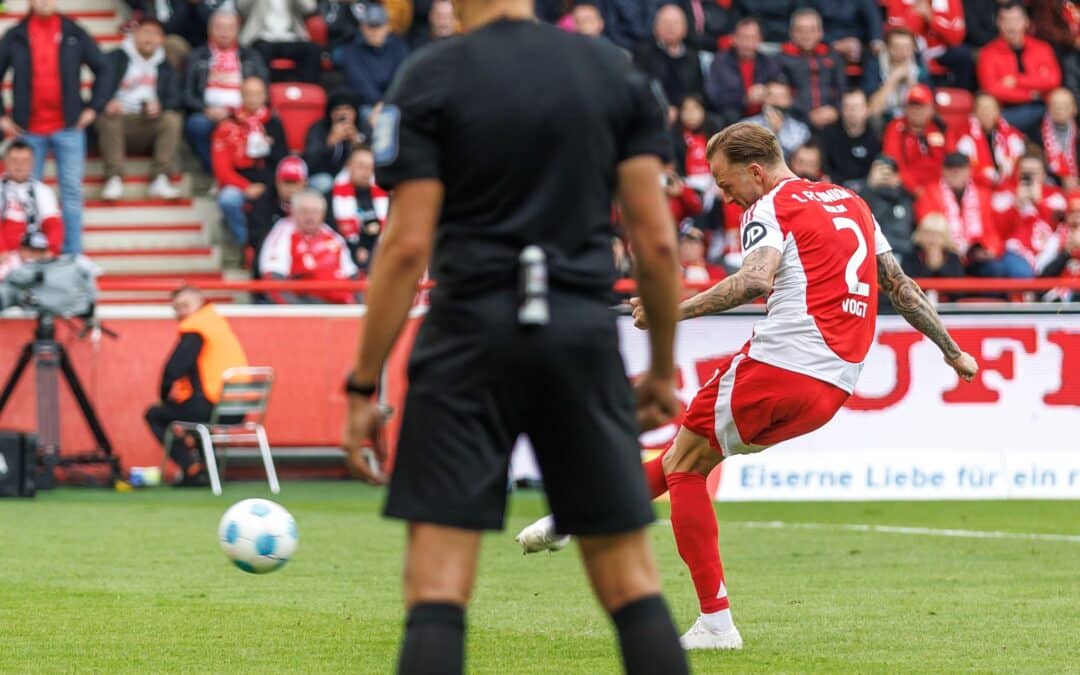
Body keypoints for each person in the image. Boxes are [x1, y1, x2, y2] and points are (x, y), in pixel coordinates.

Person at [517, 122, 978, 650]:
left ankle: (715, 622)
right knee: (686, 456)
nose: (725, 195)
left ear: (755, 171)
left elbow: (755, 280)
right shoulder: (852, 202)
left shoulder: (769, 207)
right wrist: (951, 350)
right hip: (833, 388)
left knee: (685, 466)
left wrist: (672, 311)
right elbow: (901, 286)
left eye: (725, 181)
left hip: (781, 363)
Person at [340, 0, 691, 671]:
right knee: (629, 580)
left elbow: (406, 246)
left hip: (468, 333)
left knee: (438, 584)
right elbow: (654, 243)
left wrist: (363, 385)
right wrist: (663, 370)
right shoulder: (611, 72)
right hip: (580, 333)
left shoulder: (428, 76)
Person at [0, 0, 110, 256]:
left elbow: (104, 68)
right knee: (23, 196)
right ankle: (26, 255)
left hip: (68, 126)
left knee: (71, 191)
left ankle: (73, 256)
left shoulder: (73, 31)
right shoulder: (16, 34)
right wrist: (3, 117)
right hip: (29, 129)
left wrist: (93, 107)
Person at [145, 286, 248, 486]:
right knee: (191, 412)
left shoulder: (195, 329)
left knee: (155, 414)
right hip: (238, 408)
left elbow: (173, 369)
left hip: (212, 407)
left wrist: (164, 397)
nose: (181, 312)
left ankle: (190, 467)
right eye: (177, 308)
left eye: (185, 306)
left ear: (200, 303)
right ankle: (210, 470)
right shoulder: (218, 325)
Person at [97, 20, 183, 202]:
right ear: (135, 34)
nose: (149, 38)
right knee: (107, 117)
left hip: (149, 122)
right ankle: (114, 177)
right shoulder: (115, 57)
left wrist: (161, 106)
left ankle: (160, 178)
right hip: (120, 120)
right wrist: (108, 102)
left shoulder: (166, 66)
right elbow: (98, 90)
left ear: (162, 39)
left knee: (172, 120)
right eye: (145, 32)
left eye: (155, 33)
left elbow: (175, 99)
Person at [915, 151, 1032, 277]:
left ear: (969, 171)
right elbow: (928, 227)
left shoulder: (983, 195)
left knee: (1007, 269)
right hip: (946, 252)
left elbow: (994, 228)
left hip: (977, 253)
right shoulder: (929, 194)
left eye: (960, 168)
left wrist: (990, 248)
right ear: (943, 170)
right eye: (951, 168)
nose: (955, 172)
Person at [183, 9, 269, 173]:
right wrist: (205, 109)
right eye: (219, 27)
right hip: (209, 112)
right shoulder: (197, 56)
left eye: (229, 28)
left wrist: (239, 111)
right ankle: (218, 172)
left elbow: (263, 86)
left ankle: (242, 173)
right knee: (197, 125)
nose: (224, 32)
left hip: (245, 110)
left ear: (237, 30)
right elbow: (187, 93)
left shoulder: (251, 56)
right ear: (209, 30)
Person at [212, 76, 288, 248]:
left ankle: (274, 244)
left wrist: (269, 148)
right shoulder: (227, 125)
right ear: (241, 95)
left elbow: (283, 159)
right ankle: (247, 243)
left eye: (258, 94)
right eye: (249, 94)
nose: (253, 98)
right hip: (241, 182)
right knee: (227, 199)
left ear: (265, 96)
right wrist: (245, 187)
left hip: (270, 181)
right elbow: (221, 168)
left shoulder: (274, 123)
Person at [976, 1, 1061, 138]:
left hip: (1042, 106)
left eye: (1016, 20)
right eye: (1006, 20)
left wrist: (1017, 81)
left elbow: (1053, 80)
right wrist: (1032, 94)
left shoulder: (1042, 48)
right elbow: (992, 88)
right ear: (998, 24)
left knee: (1061, 99)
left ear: (1026, 22)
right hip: (1007, 110)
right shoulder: (988, 53)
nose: (1011, 27)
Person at [259, 189, 360, 304]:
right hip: (308, 306)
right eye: (304, 211)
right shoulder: (283, 233)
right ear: (293, 212)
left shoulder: (332, 236)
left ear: (323, 214)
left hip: (342, 306)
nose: (310, 216)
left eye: (315, 211)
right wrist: (302, 313)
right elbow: (273, 278)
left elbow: (352, 275)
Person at [777, 9, 846, 129]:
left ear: (821, 32)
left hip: (832, 118)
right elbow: (782, 96)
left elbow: (842, 89)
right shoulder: (782, 59)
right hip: (795, 120)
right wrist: (808, 115)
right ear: (792, 33)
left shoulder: (832, 56)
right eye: (800, 30)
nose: (806, 35)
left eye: (812, 30)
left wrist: (835, 110)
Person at [704, 17, 781, 125]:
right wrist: (745, 98)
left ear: (760, 39)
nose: (748, 44)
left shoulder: (767, 62)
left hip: (763, 114)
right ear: (734, 39)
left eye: (752, 38)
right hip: (733, 118)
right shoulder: (720, 62)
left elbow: (778, 86)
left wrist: (766, 92)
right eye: (744, 38)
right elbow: (714, 97)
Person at [633, 4, 704, 119]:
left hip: (687, 112)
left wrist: (689, 107)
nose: (670, 27)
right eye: (665, 23)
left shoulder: (692, 56)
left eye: (675, 23)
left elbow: (698, 89)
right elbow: (642, 88)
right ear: (654, 27)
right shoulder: (643, 53)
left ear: (685, 29)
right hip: (654, 112)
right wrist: (664, 108)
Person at [947, 92, 1027, 193]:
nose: (986, 112)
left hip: (1010, 189)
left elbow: (1022, 163)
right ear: (974, 112)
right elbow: (962, 169)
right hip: (976, 190)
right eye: (982, 108)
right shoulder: (961, 135)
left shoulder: (1012, 135)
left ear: (998, 111)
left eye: (990, 108)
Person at [884, 0, 971, 90]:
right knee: (903, 50)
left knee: (963, 54)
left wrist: (931, 18)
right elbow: (897, 35)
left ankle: (961, 99)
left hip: (940, 52)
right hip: (912, 51)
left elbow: (957, 38)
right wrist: (916, 14)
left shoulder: (951, 2)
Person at [882, 83, 948, 196]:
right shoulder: (896, 127)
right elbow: (895, 164)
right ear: (906, 108)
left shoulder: (940, 129)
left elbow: (948, 164)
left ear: (932, 108)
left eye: (921, 105)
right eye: (912, 105)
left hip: (938, 192)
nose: (916, 110)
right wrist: (916, 189)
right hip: (906, 191)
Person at [340, 5, 409, 112]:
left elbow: (401, 79)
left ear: (387, 27)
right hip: (363, 106)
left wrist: (383, 104)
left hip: (394, 104)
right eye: (371, 26)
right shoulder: (351, 50)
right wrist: (379, 105)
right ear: (362, 27)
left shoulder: (398, 47)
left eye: (379, 26)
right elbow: (360, 84)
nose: (374, 32)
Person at [0, 140, 63, 255]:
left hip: (35, 253)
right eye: (14, 160)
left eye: (25, 161)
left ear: (32, 163)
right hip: (5, 254)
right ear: (5, 162)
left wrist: (50, 250)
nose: (19, 165)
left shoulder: (43, 191)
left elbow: (53, 225)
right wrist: (2, 251)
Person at [330, 146, 388, 271]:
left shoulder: (384, 194)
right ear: (349, 166)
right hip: (348, 254)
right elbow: (332, 231)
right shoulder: (332, 197)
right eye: (361, 166)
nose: (366, 172)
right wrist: (355, 248)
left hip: (381, 252)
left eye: (370, 167)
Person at [248, 155, 310, 268]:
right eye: (286, 182)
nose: (290, 188)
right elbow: (258, 237)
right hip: (273, 255)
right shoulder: (263, 203)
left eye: (294, 182)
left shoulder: (314, 204)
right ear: (277, 182)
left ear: (305, 183)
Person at [237, 0, 321, 83]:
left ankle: (307, 92)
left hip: (291, 37)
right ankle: (263, 92)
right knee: (260, 51)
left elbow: (310, 8)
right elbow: (241, 8)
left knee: (313, 50)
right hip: (262, 37)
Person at [303, 91, 368, 194]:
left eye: (347, 108)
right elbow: (310, 162)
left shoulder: (362, 127)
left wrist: (357, 142)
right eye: (337, 109)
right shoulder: (318, 128)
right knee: (324, 182)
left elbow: (373, 157)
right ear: (330, 113)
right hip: (325, 175)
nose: (343, 113)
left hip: (354, 176)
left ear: (355, 112)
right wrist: (331, 142)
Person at [866, 28, 928, 122]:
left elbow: (926, 109)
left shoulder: (919, 68)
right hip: (884, 117)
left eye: (907, 48)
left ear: (914, 49)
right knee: (874, 121)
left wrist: (911, 84)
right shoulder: (875, 65)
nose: (902, 52)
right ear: (887, 48)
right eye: (897, 47)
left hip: (910, 119)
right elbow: (873, 110)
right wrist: (893, 79)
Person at [902, 212, 967, 302]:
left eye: (937, 235)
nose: (932, 239)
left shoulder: (953, 258)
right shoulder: (910, 257)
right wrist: (929, 266)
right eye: (928, 234)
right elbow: (907, 290)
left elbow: (960, 292)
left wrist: (940, 267)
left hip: (949, 308)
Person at [823, 88, 882, 187]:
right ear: (841, 109)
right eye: (847, 107)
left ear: (866, 109)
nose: (852, 112)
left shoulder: (877, 137)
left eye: (857, 107)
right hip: (837, 190)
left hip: (869, 190)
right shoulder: (828, 135)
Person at [863, 154, 916, 262]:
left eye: (891, 171)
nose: (885, 175)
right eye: (880, 171)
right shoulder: (860, 197)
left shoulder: (906, 198)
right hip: (870, 255)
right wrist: (870, 188)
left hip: (902, 255)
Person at [743, 79, 811, 159]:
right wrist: (772, 131)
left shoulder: (801, 130)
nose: (776, 101)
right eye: (771, 96)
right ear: (763, 99)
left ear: (790, 101)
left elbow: (798, 161)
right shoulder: (747, 126)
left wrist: (778, 132)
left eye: (782, 96)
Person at [1041, 88, 1079, 190]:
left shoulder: (1077, 134)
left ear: (1074, 108)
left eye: (1064, 105)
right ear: (1048, 108)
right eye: (1055, 105)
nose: (1059, 109)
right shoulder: (1035, 135)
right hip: (1050, 189)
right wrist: (1061, 178)